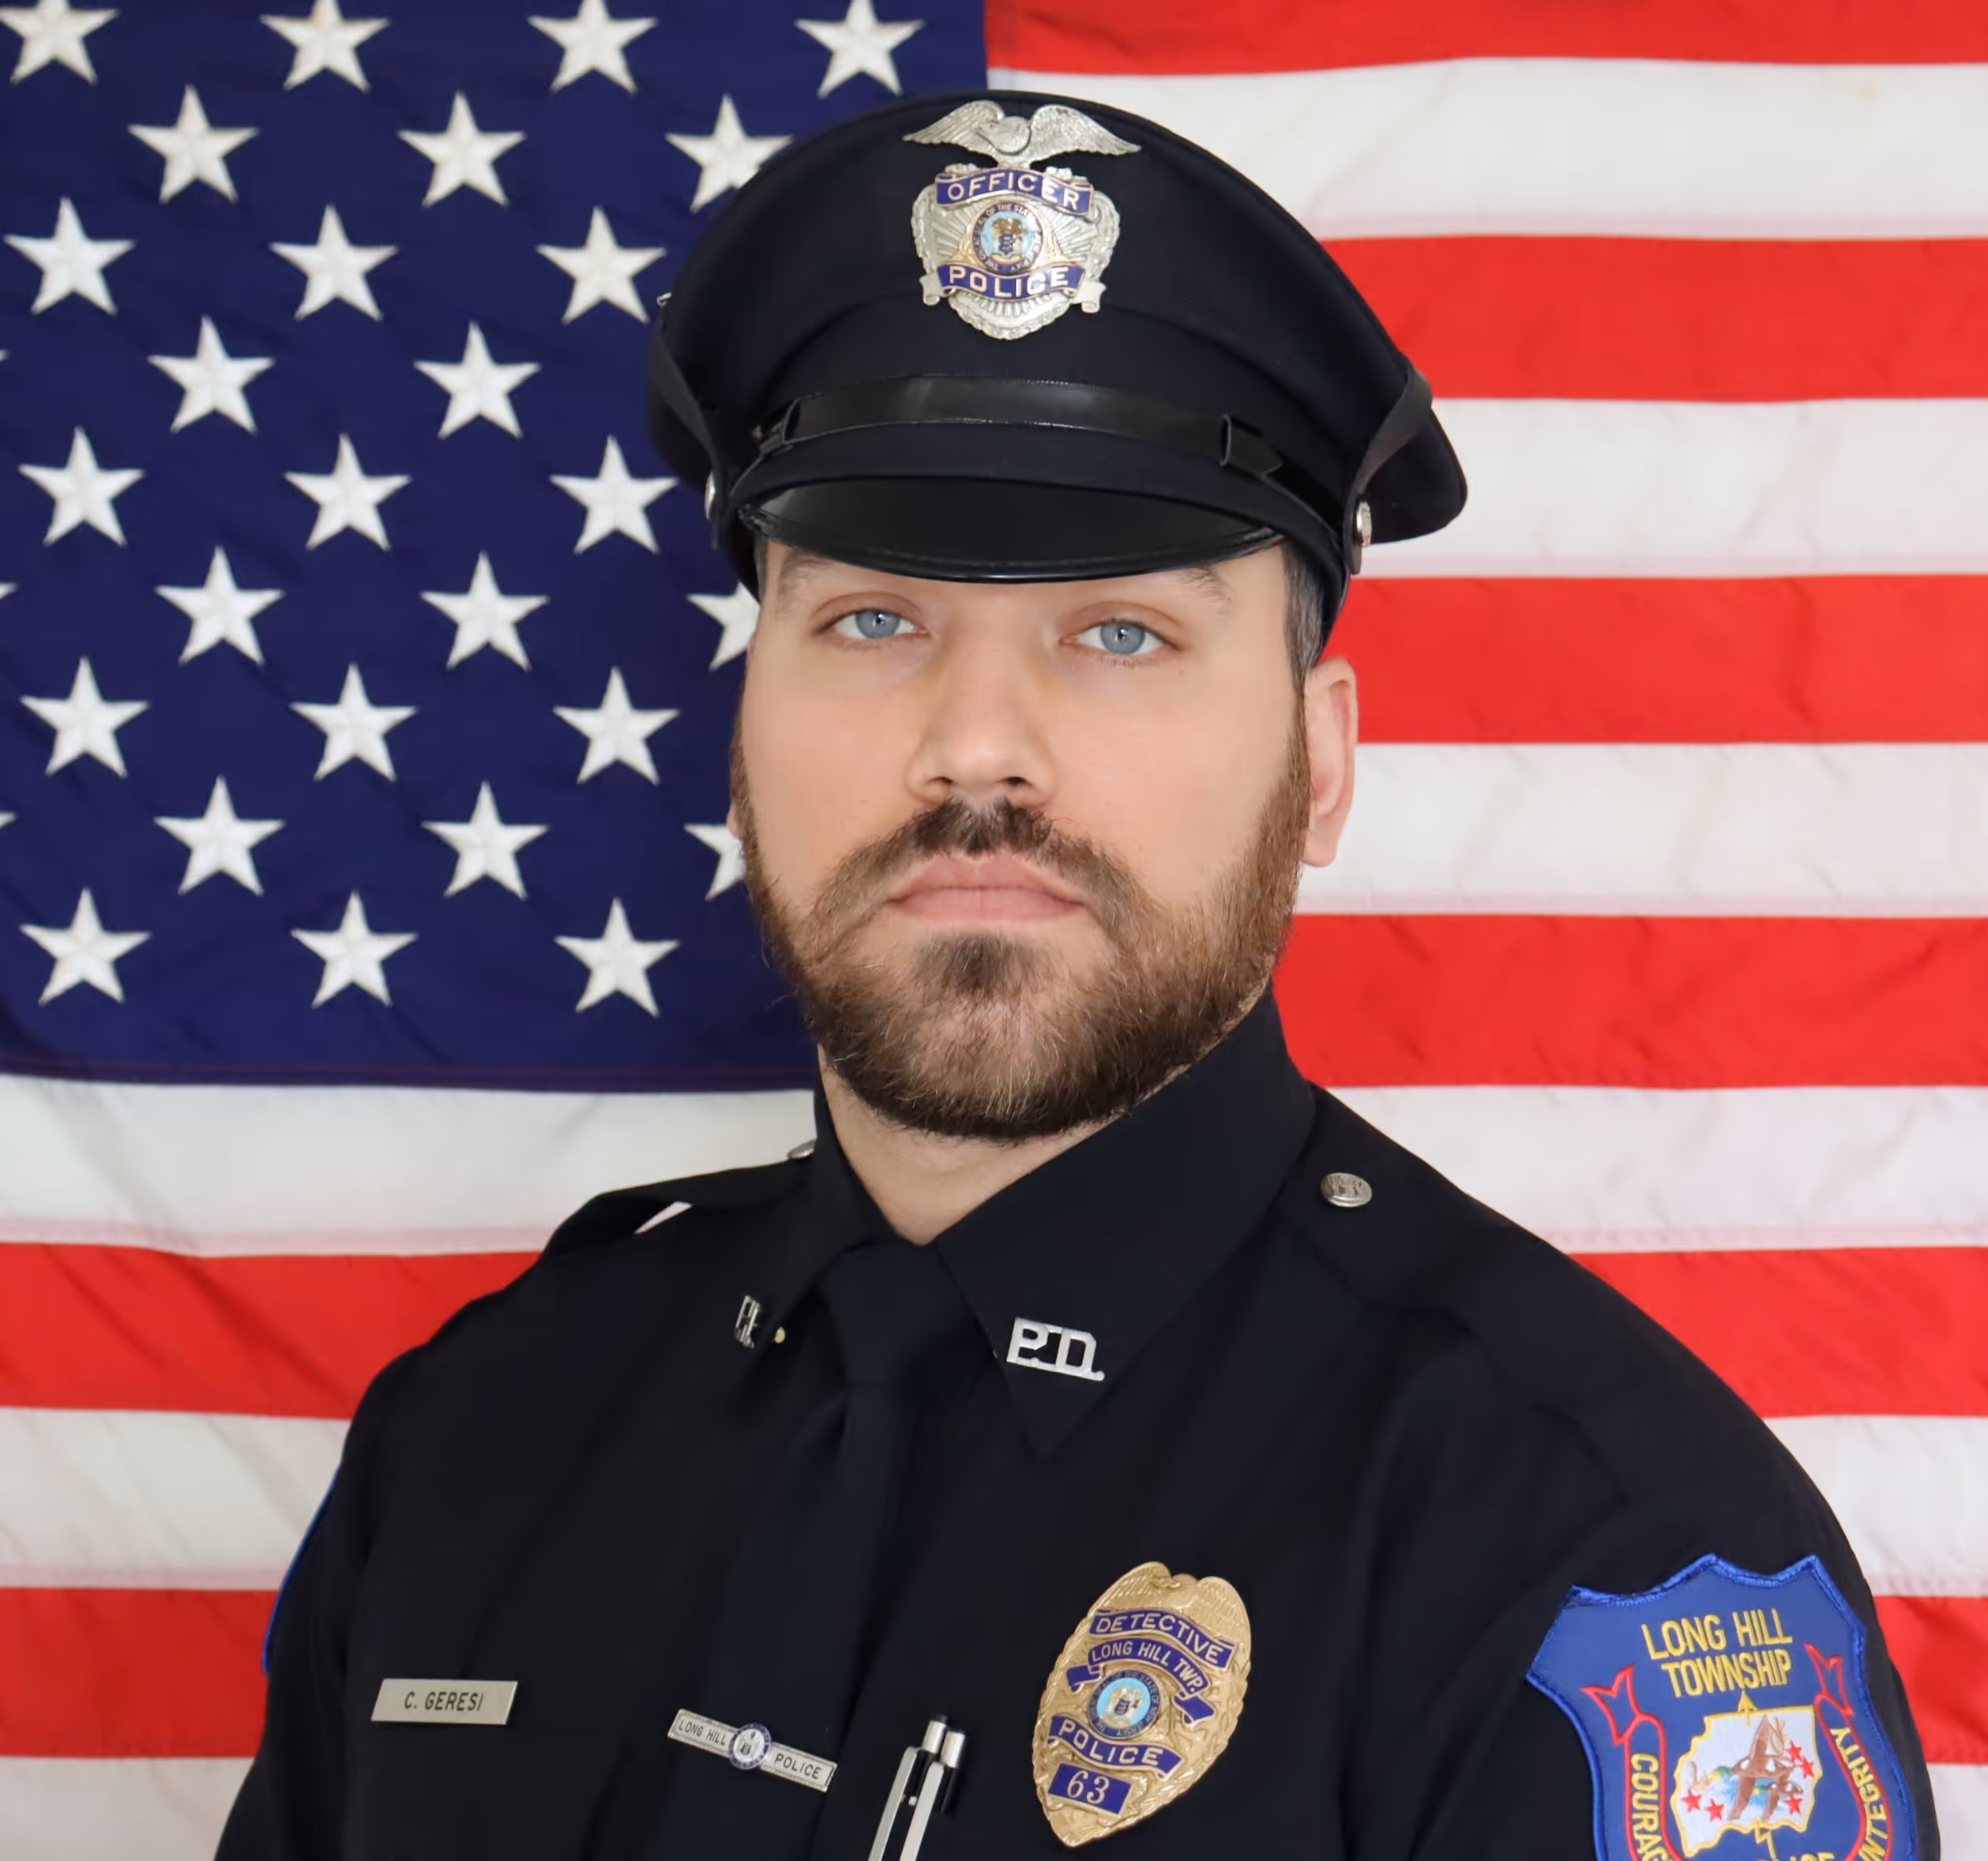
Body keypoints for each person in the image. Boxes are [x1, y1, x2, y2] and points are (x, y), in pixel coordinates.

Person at [219, 88, 1939, 1861]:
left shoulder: (1586, 1554)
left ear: (1320, 763)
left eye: (1121, 632)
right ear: (742, 723)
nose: (978, 748)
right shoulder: (490, 1427)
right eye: (870, 621)